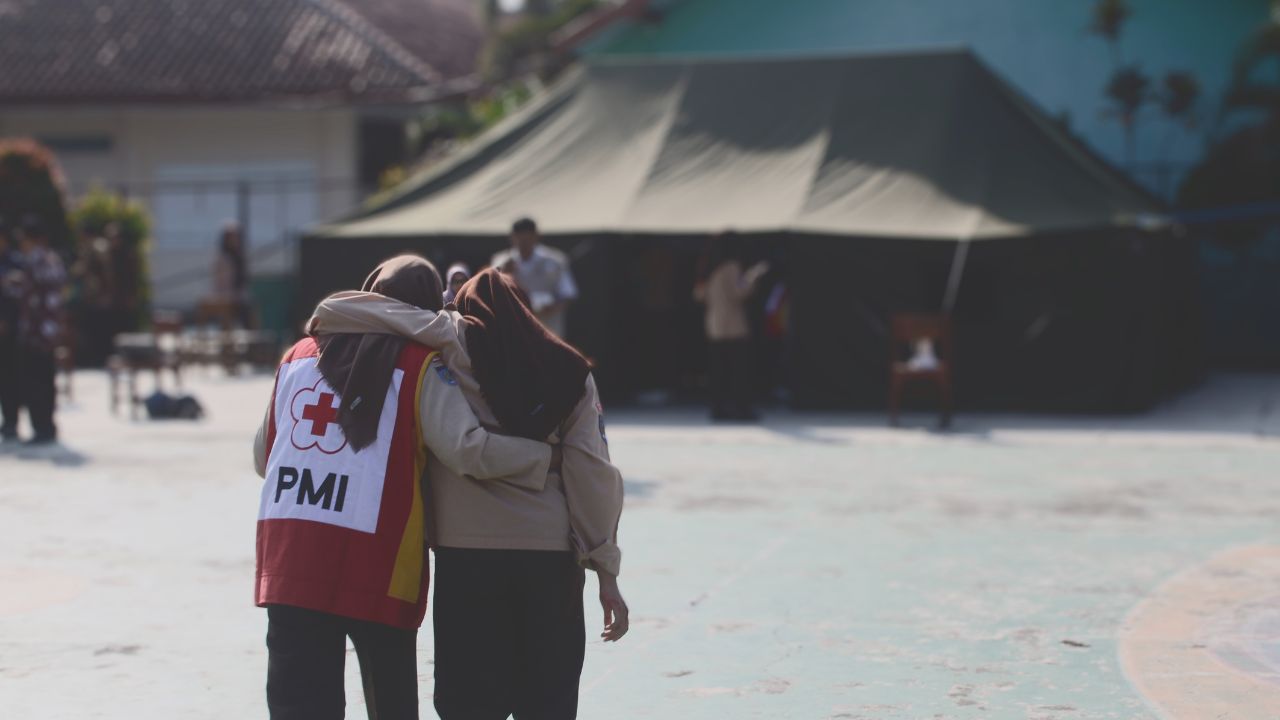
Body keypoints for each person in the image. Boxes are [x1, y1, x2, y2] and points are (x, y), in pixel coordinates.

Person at [309, 267, 628, 720]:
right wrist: (606, 571)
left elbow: (333, 310)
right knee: (549, 698)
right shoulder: (570, 371)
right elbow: (593, 475)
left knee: (469, 703)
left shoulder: (446, 340)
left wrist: (439, 313)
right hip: (550, 557)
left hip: (466, 557)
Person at [251, 256, 558, 720]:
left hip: (292, 560)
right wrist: (544, 459)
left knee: (298, 707)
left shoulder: (298, 356)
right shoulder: (419, 365)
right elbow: (467, 450)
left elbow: (263, 455)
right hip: (377, 566)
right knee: (389, 702)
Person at [694, 231, 769, 422]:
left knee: (718, 371)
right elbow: (739, 292)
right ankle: (741, 409)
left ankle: (718, 408)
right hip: (734, 325)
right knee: (739, 371)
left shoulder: (707, 268)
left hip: (714, 325)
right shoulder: (731, 266)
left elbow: (699, 295)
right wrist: (753, 276)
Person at [14, 216, 67, 445]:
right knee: (47, 379)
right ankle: (48, 426)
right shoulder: (53, 259)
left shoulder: (34, 260)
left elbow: (28, 293)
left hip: (36, 330)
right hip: (51, 329)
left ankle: (41, 427)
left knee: (35, 382)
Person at [491, 217, 578, 338]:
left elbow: (567, 293)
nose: (523, 243)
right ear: (512, 237)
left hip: (548, 329)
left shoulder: (555, 260)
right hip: (515, 330)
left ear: (536, 236)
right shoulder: (501, 262)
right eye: (519, 238)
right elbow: (491, 295)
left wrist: (551, 308)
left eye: (527, 238)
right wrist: (504, 274)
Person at [0, 218, 23, 442]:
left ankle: (11, 422)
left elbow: (17, 298)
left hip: (9, 330)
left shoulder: (15, 263)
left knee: (8, 376)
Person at [213, 221, 250, 327]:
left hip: (240, 296)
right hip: (226, 296)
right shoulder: (222, 258)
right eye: (232, 237)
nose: (235, 240)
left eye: (236, 237)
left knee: (248, 309)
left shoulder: (239, 256)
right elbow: (220, 282)